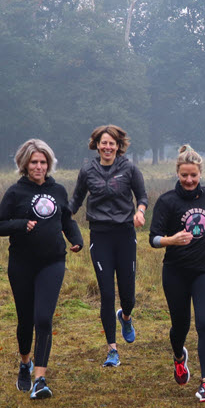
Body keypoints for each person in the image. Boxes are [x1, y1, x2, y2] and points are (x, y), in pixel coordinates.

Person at [0, 139, 83, 400]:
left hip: (52, 262)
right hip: (21, 264)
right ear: (24, 163)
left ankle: (40, 379)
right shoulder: (15, 192)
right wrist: (21, 224)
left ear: (49, 164)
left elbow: (66, 219)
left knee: (43, 318)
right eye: (34, 162)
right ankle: (25, 363)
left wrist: (75, 240)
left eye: (43, 162)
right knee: (25, 320)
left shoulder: (58, 191)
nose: (39, 167)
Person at [148, 145, 205, 404]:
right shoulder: (166, 201)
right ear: (178, 173)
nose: (189, 180)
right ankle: (178, 357)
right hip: (175, 271)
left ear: (200, 174)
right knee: (180, 326)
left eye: (193, 175)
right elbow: (153, 239)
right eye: (184, 175)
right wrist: (171, 239)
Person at [70, 125, 148, 368]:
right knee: (106, 293)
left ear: (118, 146)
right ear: (96, 144)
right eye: (103, 143)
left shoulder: (129, 168)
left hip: (125, 234)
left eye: (112, 143)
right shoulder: (87, 170)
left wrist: (140, 212)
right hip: (100, 235)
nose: (107, 147)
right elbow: (76, 200)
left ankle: (125, 316)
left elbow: (142, 197)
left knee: (128, 296)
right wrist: (59, 219)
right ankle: (112, 350)